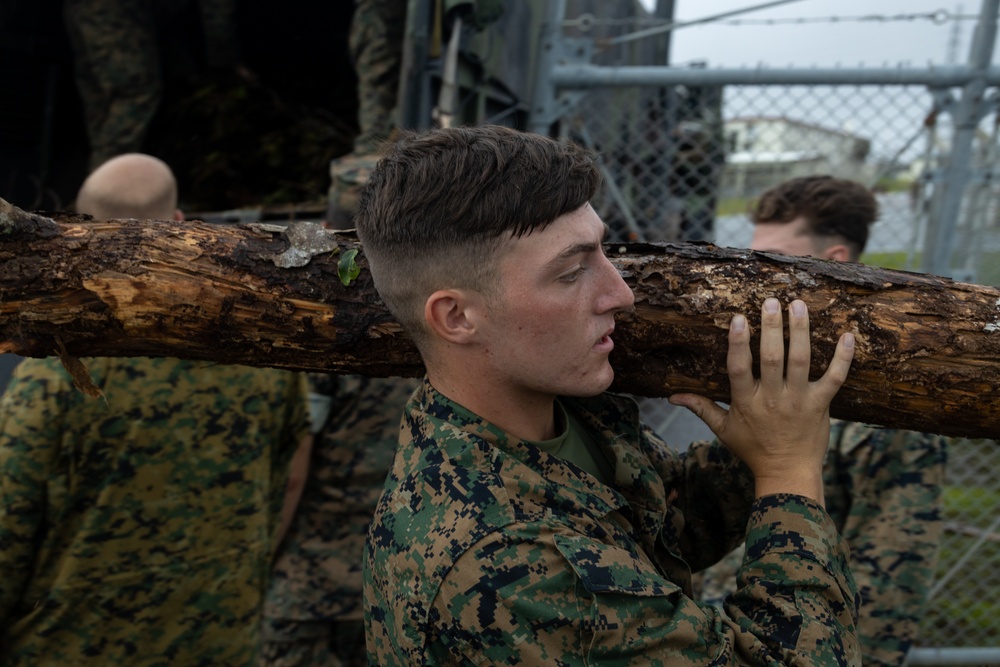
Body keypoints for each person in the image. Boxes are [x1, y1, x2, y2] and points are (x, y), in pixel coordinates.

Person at [355, 124, 861, 665]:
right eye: (572, 272)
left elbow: (658, 530)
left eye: (604, 251)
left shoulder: (548, 417)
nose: (621, 293)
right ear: (456, 317)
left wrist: (754, 449)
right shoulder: (508, 563)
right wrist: (788, 473)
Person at [0, 153, 311, 665]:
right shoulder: (256, 350)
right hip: (219, 640)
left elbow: (10, 524)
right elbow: (293, 473)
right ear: (179, 226)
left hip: (71, 648)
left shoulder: (53, 375)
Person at [696, 175, 948, 667]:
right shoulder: (758, 377)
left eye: (771, 258)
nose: (752, 273)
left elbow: (890, 582)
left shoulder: (887, 412)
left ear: (831, 264)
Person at [260, 373, 419, 667]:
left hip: (305, 589)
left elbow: (291, 478)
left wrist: (259, 561)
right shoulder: (418, 349)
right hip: (385, 585)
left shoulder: (319, 359)